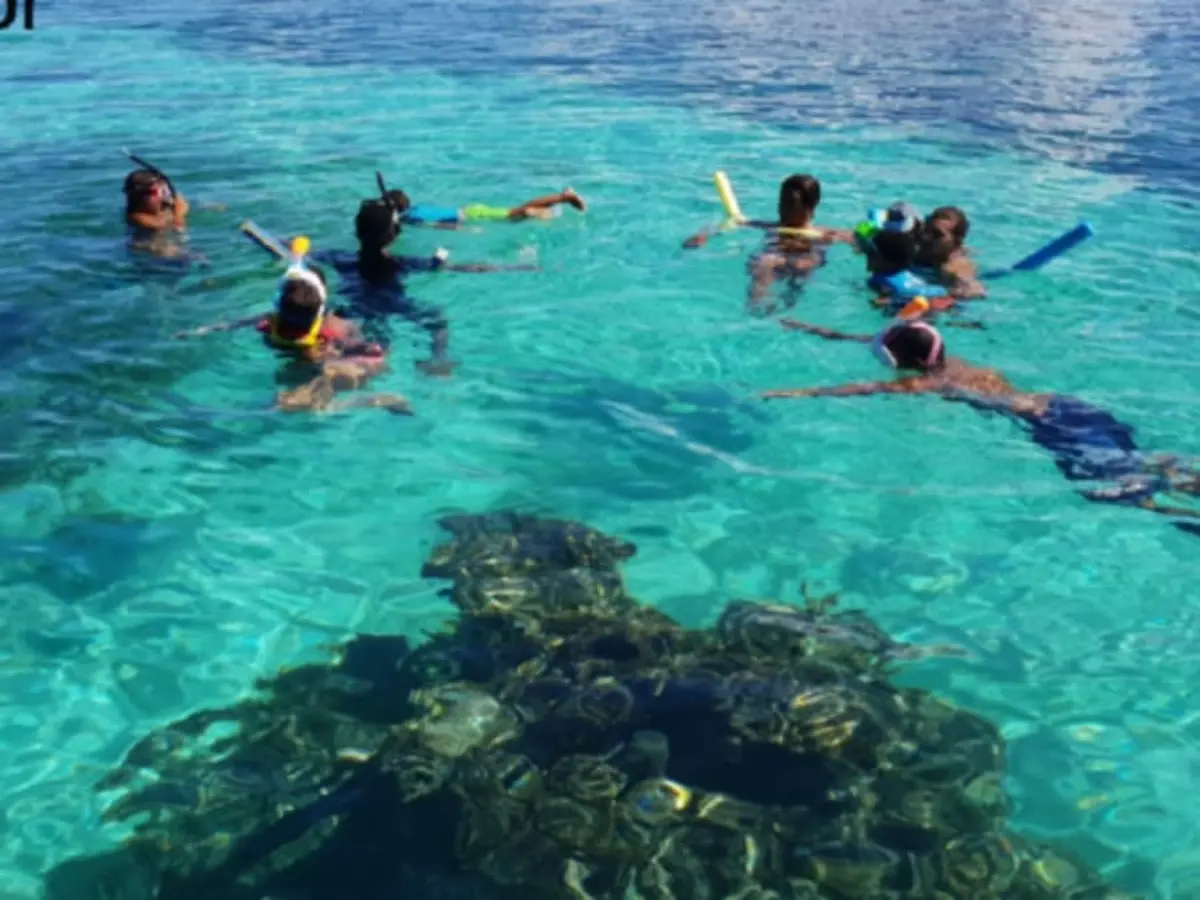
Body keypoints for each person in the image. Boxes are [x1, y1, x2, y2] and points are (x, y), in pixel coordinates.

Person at [760, 318, 1200, 534]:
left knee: (1114, 492)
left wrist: (797, 394)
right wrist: (815, 331)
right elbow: (883, 339)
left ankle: (1185, 515)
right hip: (1071, 407)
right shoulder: (952, 363)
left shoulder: (930, 382)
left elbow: (865, 389)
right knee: (1147, 464)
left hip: (1055, 429)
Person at [307, 196, 535, 376]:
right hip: (392, 304)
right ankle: (437, 359)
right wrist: (513, 267)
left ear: (357, 231)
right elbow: (465, 268)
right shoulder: (402, 264)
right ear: (394, 236)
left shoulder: (339, 258)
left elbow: (302, 253)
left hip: (352, 302)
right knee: (437, 320)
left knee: (347, 329)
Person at [174, 264, 411, 415]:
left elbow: (348, 345)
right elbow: (232, 325)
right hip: (297, 364)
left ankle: (374, 400)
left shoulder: (325, 329)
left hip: (315, 365)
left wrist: (361, 348)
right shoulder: (274, 321)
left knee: (305, 399)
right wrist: (200, 331)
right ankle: (368, 400)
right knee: (299, 400)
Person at [389, 186, 586, 229]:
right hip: (471, 210)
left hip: (472, 216)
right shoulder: (415, 209)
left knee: (520, 212)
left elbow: (440, 224)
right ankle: (558, 202)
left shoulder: (409, 219)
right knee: (518, 211)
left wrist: (466, 230)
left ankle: (564, 198)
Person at [123, 168, 191, 259]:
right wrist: (179, 214)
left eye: (165, 190)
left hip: (171, 245)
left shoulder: (166, 208)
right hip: (150, 253)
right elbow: (162, 225)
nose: (163, 196)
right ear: (138, 198)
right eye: (157, 192)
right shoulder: (137, 216)